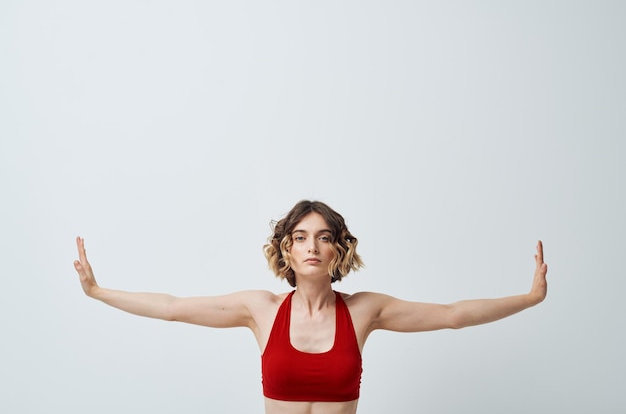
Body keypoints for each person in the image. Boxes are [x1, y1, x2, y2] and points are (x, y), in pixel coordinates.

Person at [73, 200, 548, 414]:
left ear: (339, 249)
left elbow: (452, 315)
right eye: (300, 238)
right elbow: (173, 307)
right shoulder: (260, 309)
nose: (312, 246)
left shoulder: (365, 311)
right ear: (286, 250)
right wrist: (99, 291)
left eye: (324, 237)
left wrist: (529, 298)